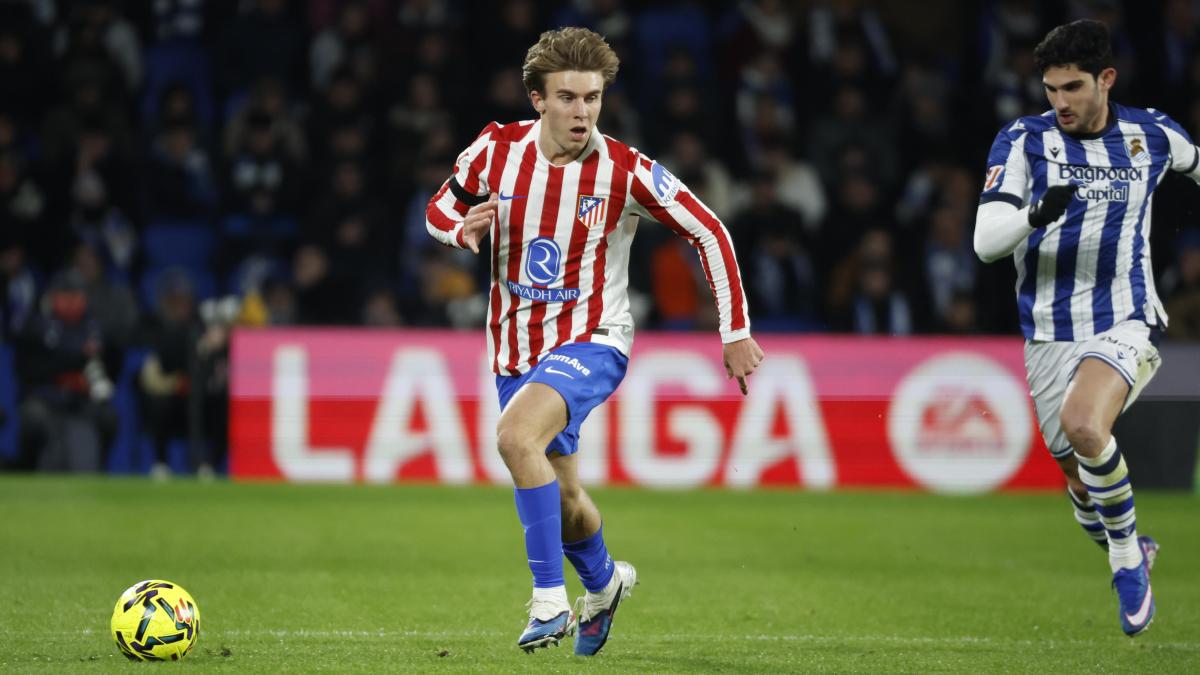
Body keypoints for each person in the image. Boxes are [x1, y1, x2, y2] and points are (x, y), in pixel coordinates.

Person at [425, 27, 763, 656]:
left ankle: (548, 600)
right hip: (515, 348)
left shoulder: (625, 171)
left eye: (593, 98)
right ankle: (605, 584)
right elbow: (440, 208)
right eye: (568, 98)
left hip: (594, 338)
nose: (583, 112)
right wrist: (459, 230)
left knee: (514, 437)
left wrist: (734, 329)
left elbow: (710, 229)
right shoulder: (495, 150)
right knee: (564, 495)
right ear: (538, 100)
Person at [973, 20, 1200, 637]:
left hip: (1127, 316)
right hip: (1049, 332)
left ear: (1106, 79)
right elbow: (986, 243)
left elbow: (1195, 163)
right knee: (1079, 479)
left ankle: (1126, 563)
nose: (1060, 102)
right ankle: (1133, 545)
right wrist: (1033, 215)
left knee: (1084, 424)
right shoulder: (1024, 141)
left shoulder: (1153, 134)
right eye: (1050, 89)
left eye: (1072, 87)